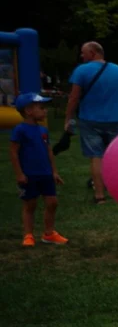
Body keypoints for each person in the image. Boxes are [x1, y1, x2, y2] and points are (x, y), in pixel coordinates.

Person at [66, 41, 118, 204]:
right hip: (114, 119)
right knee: (115, 156)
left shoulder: (81, 71)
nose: (82, 56)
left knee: (96, 156)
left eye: (84, 52)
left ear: (94, 52)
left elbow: (74, 97)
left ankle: (100, 196)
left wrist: (68, 117)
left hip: (90, 120)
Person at [10, 93, 67, 246]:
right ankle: (28, 235)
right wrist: (19, 174)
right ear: (28, 110)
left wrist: (54, 171)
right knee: (30, 205)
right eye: (41, 108)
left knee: (52, 203)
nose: (45, 111)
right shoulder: (20, 130)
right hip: (29, 175)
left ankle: (49, 233)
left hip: (46, 174)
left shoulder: (43, 130)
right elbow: (14, 152)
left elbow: (49, 151)